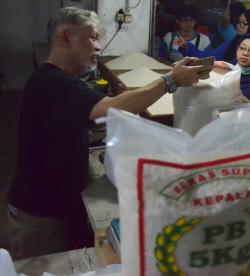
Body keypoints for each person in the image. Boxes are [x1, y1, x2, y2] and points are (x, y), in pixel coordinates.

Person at [7, 7, 211, 259]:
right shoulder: (53, 82)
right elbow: (112, 109)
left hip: (56, 204)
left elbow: (95, 115)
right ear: (64, 38)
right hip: (39, 215)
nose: (98, 47)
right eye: (92, 37)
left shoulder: (58, 81)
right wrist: (170, 80)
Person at [179, 9, 250, 71]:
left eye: (244, 24)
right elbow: (209, 57)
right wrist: (187, 46)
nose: (238, 26)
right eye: (239, 22)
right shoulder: (234, 42)